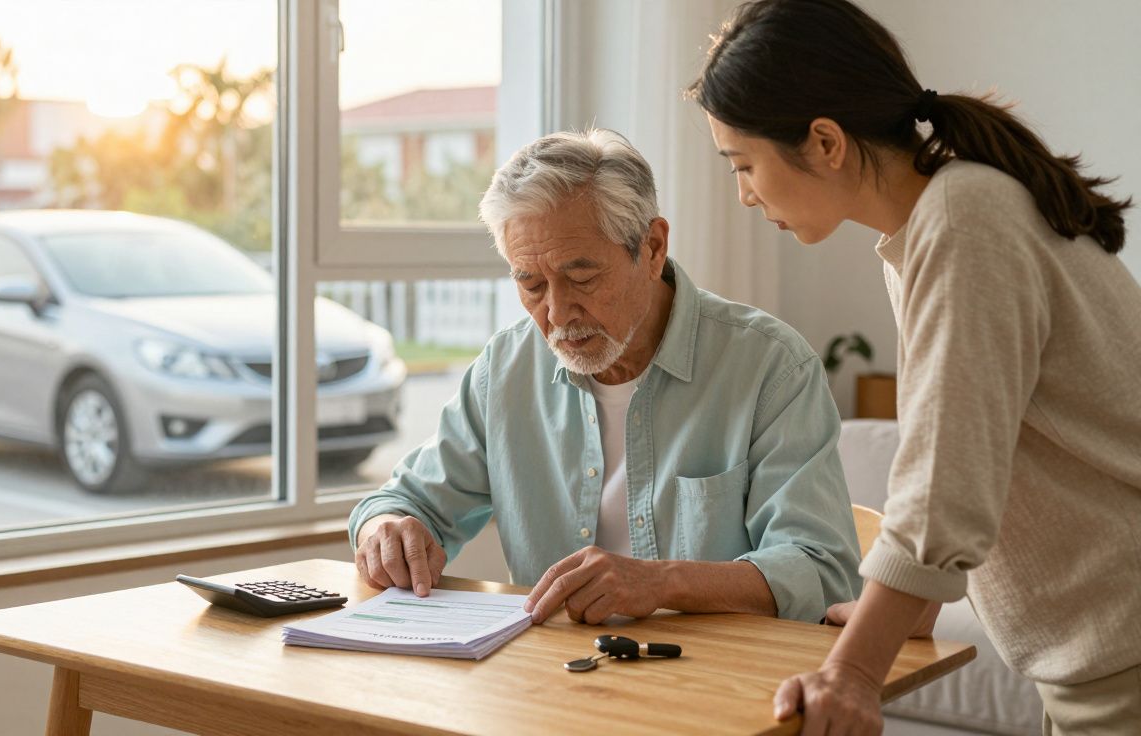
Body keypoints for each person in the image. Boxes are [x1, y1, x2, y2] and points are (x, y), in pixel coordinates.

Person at [690, 0, 1141, 733]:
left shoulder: (965, 222)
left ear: (826, 141)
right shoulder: (935, 224)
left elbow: (943, 484)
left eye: (744, 164)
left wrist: (854, 670)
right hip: (1101, 658)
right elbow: (971, 450)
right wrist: (902, 610)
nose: (743, 193)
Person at [348, 128, 862, 626]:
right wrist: (386, 528)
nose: (557, 311)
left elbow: (822, 570)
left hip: (719, 687)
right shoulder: (505, 370)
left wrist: (661, 583)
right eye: (530, 284)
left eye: (582, 277)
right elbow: (402, 501)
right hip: (553, 683)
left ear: (653, 248)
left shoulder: (770, 367)